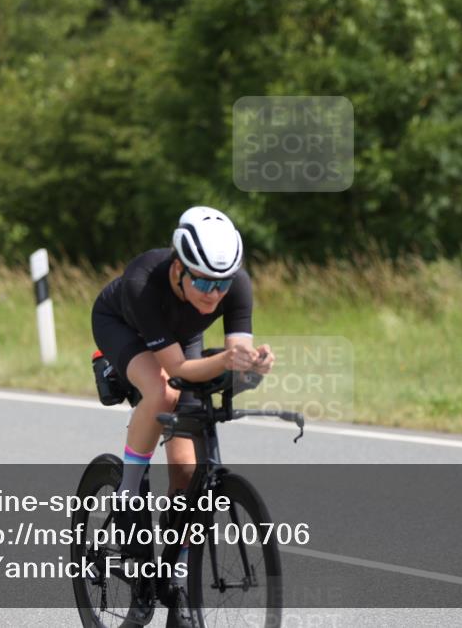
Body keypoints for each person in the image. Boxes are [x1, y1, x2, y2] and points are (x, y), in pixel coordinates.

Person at [90, 206, 275, 623]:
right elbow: (177, 371)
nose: (214, 293)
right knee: (161, 393)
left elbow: (234, 356)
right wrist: (227, 360)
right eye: (204, 281)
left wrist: (253, 365)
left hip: (181, 337)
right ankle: (127, 492)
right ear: (179, 267)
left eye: (222, 283)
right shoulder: (144, 280)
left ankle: (175, 579)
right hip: (123, 325)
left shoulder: (236, 285)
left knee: (188, 471)